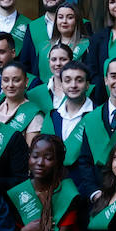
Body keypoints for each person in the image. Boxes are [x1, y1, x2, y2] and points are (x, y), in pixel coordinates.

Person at [40, 60, 98, 198]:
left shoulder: (98, 115)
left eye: (79, 80)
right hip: (54, 190)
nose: (73, 85)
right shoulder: (53, 116)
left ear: (87, 85)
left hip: (86, 193)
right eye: (67, 80)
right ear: (62, 84)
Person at [0, 60, 44, 140]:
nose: (10, 85)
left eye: (16, 80)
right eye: (6, 80)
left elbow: (31, 151)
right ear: (1, 83)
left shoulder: (34, 115)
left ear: (26, 82)